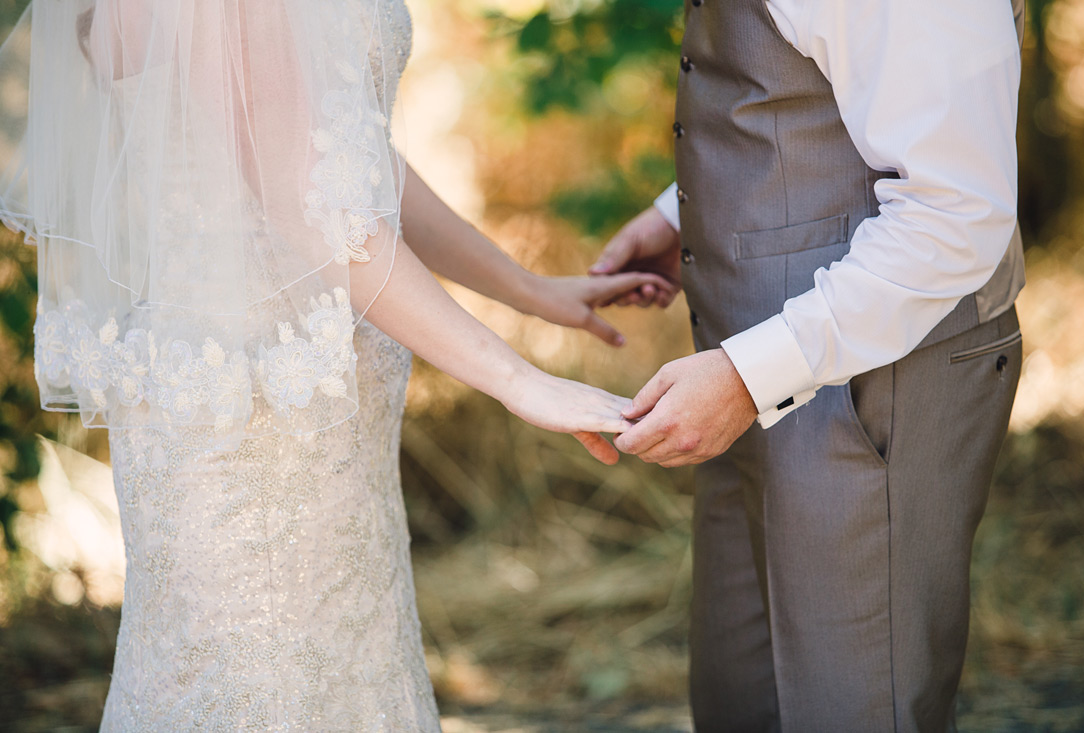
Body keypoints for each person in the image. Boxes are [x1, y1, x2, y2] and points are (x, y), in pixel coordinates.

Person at [0, 0, 672, 729]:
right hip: (250, 417)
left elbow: (345, 157)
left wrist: (528, 290)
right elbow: (309, 200)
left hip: (322, 418)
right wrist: (520, 380)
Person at [592, 0, 1026, 730]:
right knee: (743, 702)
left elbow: (957, 212)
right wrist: (686, 211)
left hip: (875, 392)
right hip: (758, 376)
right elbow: (834, 86)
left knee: (855, 709)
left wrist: (745, 376)